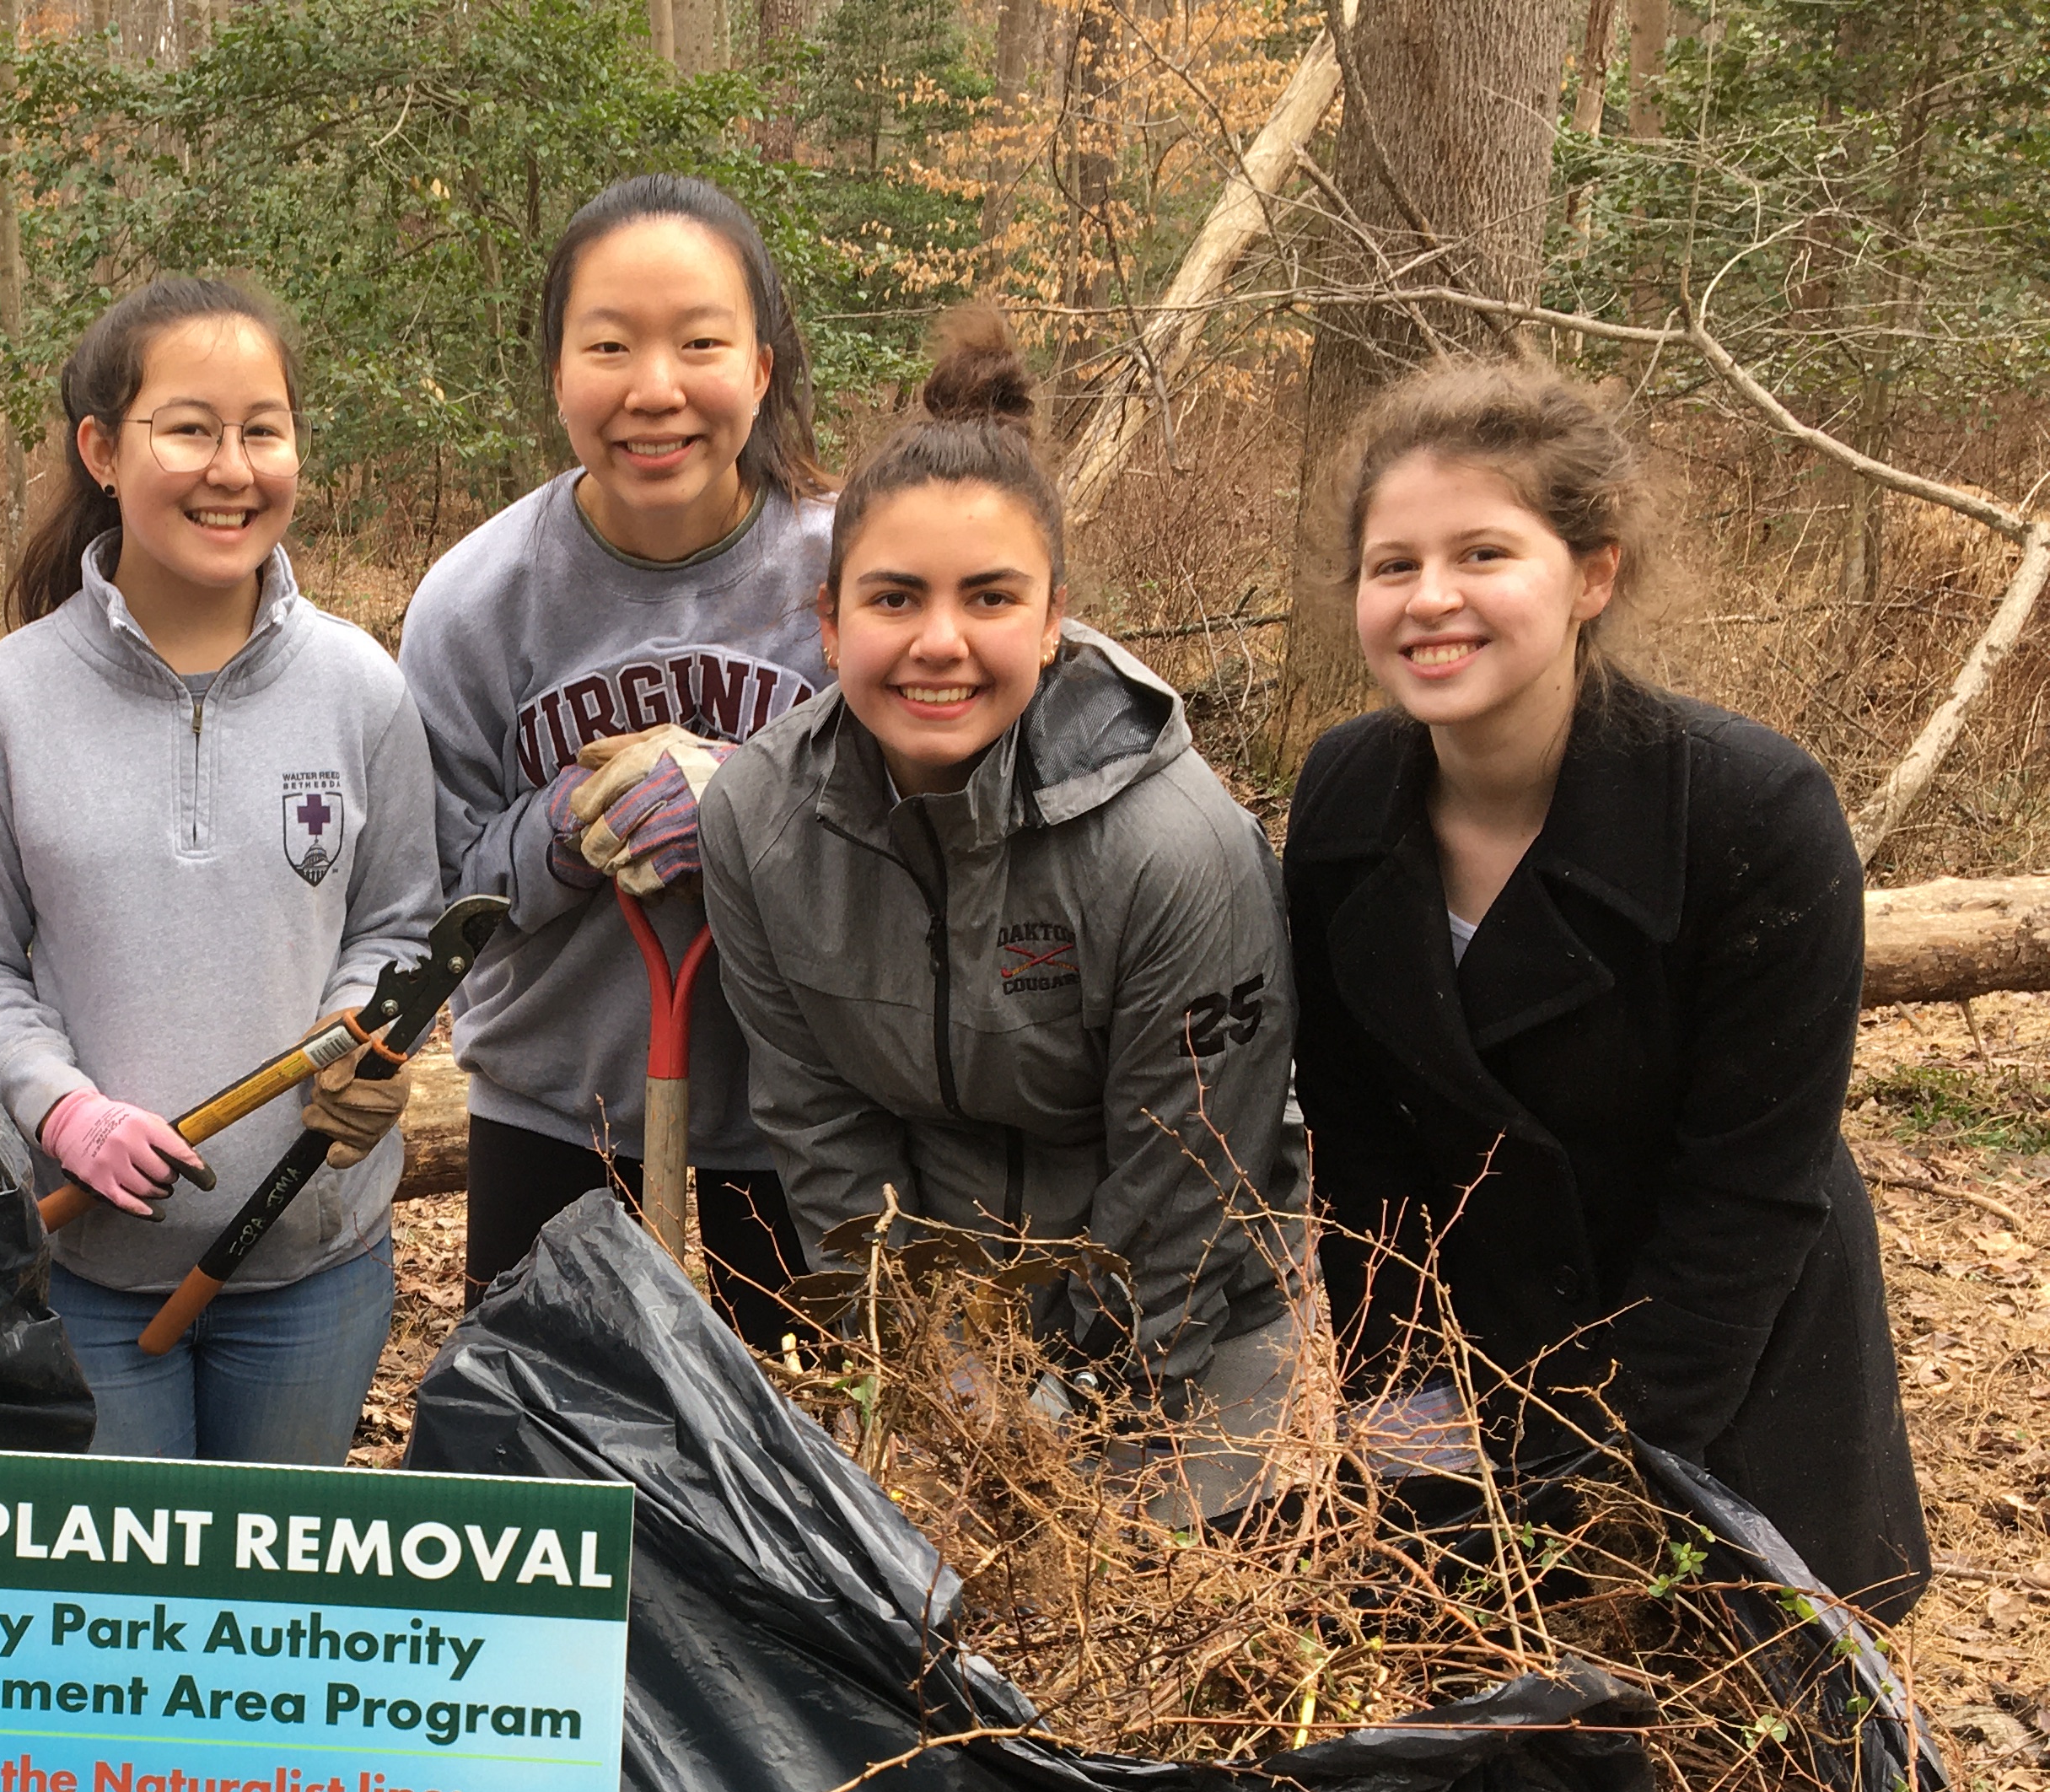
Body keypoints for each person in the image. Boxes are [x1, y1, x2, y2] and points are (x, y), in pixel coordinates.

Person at [1285, 360, 1929, 1618]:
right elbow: (1363, 1172)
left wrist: (1611, 1501)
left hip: (1731, 1382)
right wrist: (1414, 1469)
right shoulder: (1343, 799)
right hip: (1480, 1368)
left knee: (1746, 1752)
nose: (1432, 601)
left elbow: (1746, 1200)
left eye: (1483, 554)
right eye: (1392, 565)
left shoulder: (1751, 816)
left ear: (1593, 574)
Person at [700, 310, 1308, 1519]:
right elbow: (822, 1134)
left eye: (988, 598)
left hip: (1179, 1318)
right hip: (944, 1314)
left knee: (1138, 1636)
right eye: (893, 599)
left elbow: (1191, 1177)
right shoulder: (761, 823)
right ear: (830, 625)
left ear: (1052, 621)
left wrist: (1075, 1417)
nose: (939, 643)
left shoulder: (1176, 849)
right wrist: (940, 1383)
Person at [0, 278, 442, 1464]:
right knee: (118, 1626)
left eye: (263, 429)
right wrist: (64, 1106)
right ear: (103, 449)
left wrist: (368, 1027)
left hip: (317, 1263)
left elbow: (402, 917)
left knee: (269, 1620)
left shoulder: (362, 689)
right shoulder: (8, 697)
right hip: (81, 1263)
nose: (233, 467)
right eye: (190, 428)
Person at [401, 174, 835, 1344]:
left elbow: (931, 851)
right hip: (554, 1110)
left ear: (762, 363)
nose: (655, 389)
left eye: (700, 341)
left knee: (795, 1477)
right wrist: (560, 829)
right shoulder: (475, 604)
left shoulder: (856, 573)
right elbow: (439, 897)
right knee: (547, 1444)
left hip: (809, 1111)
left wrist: (753, 817)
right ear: (555, 374)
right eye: (609, 345)